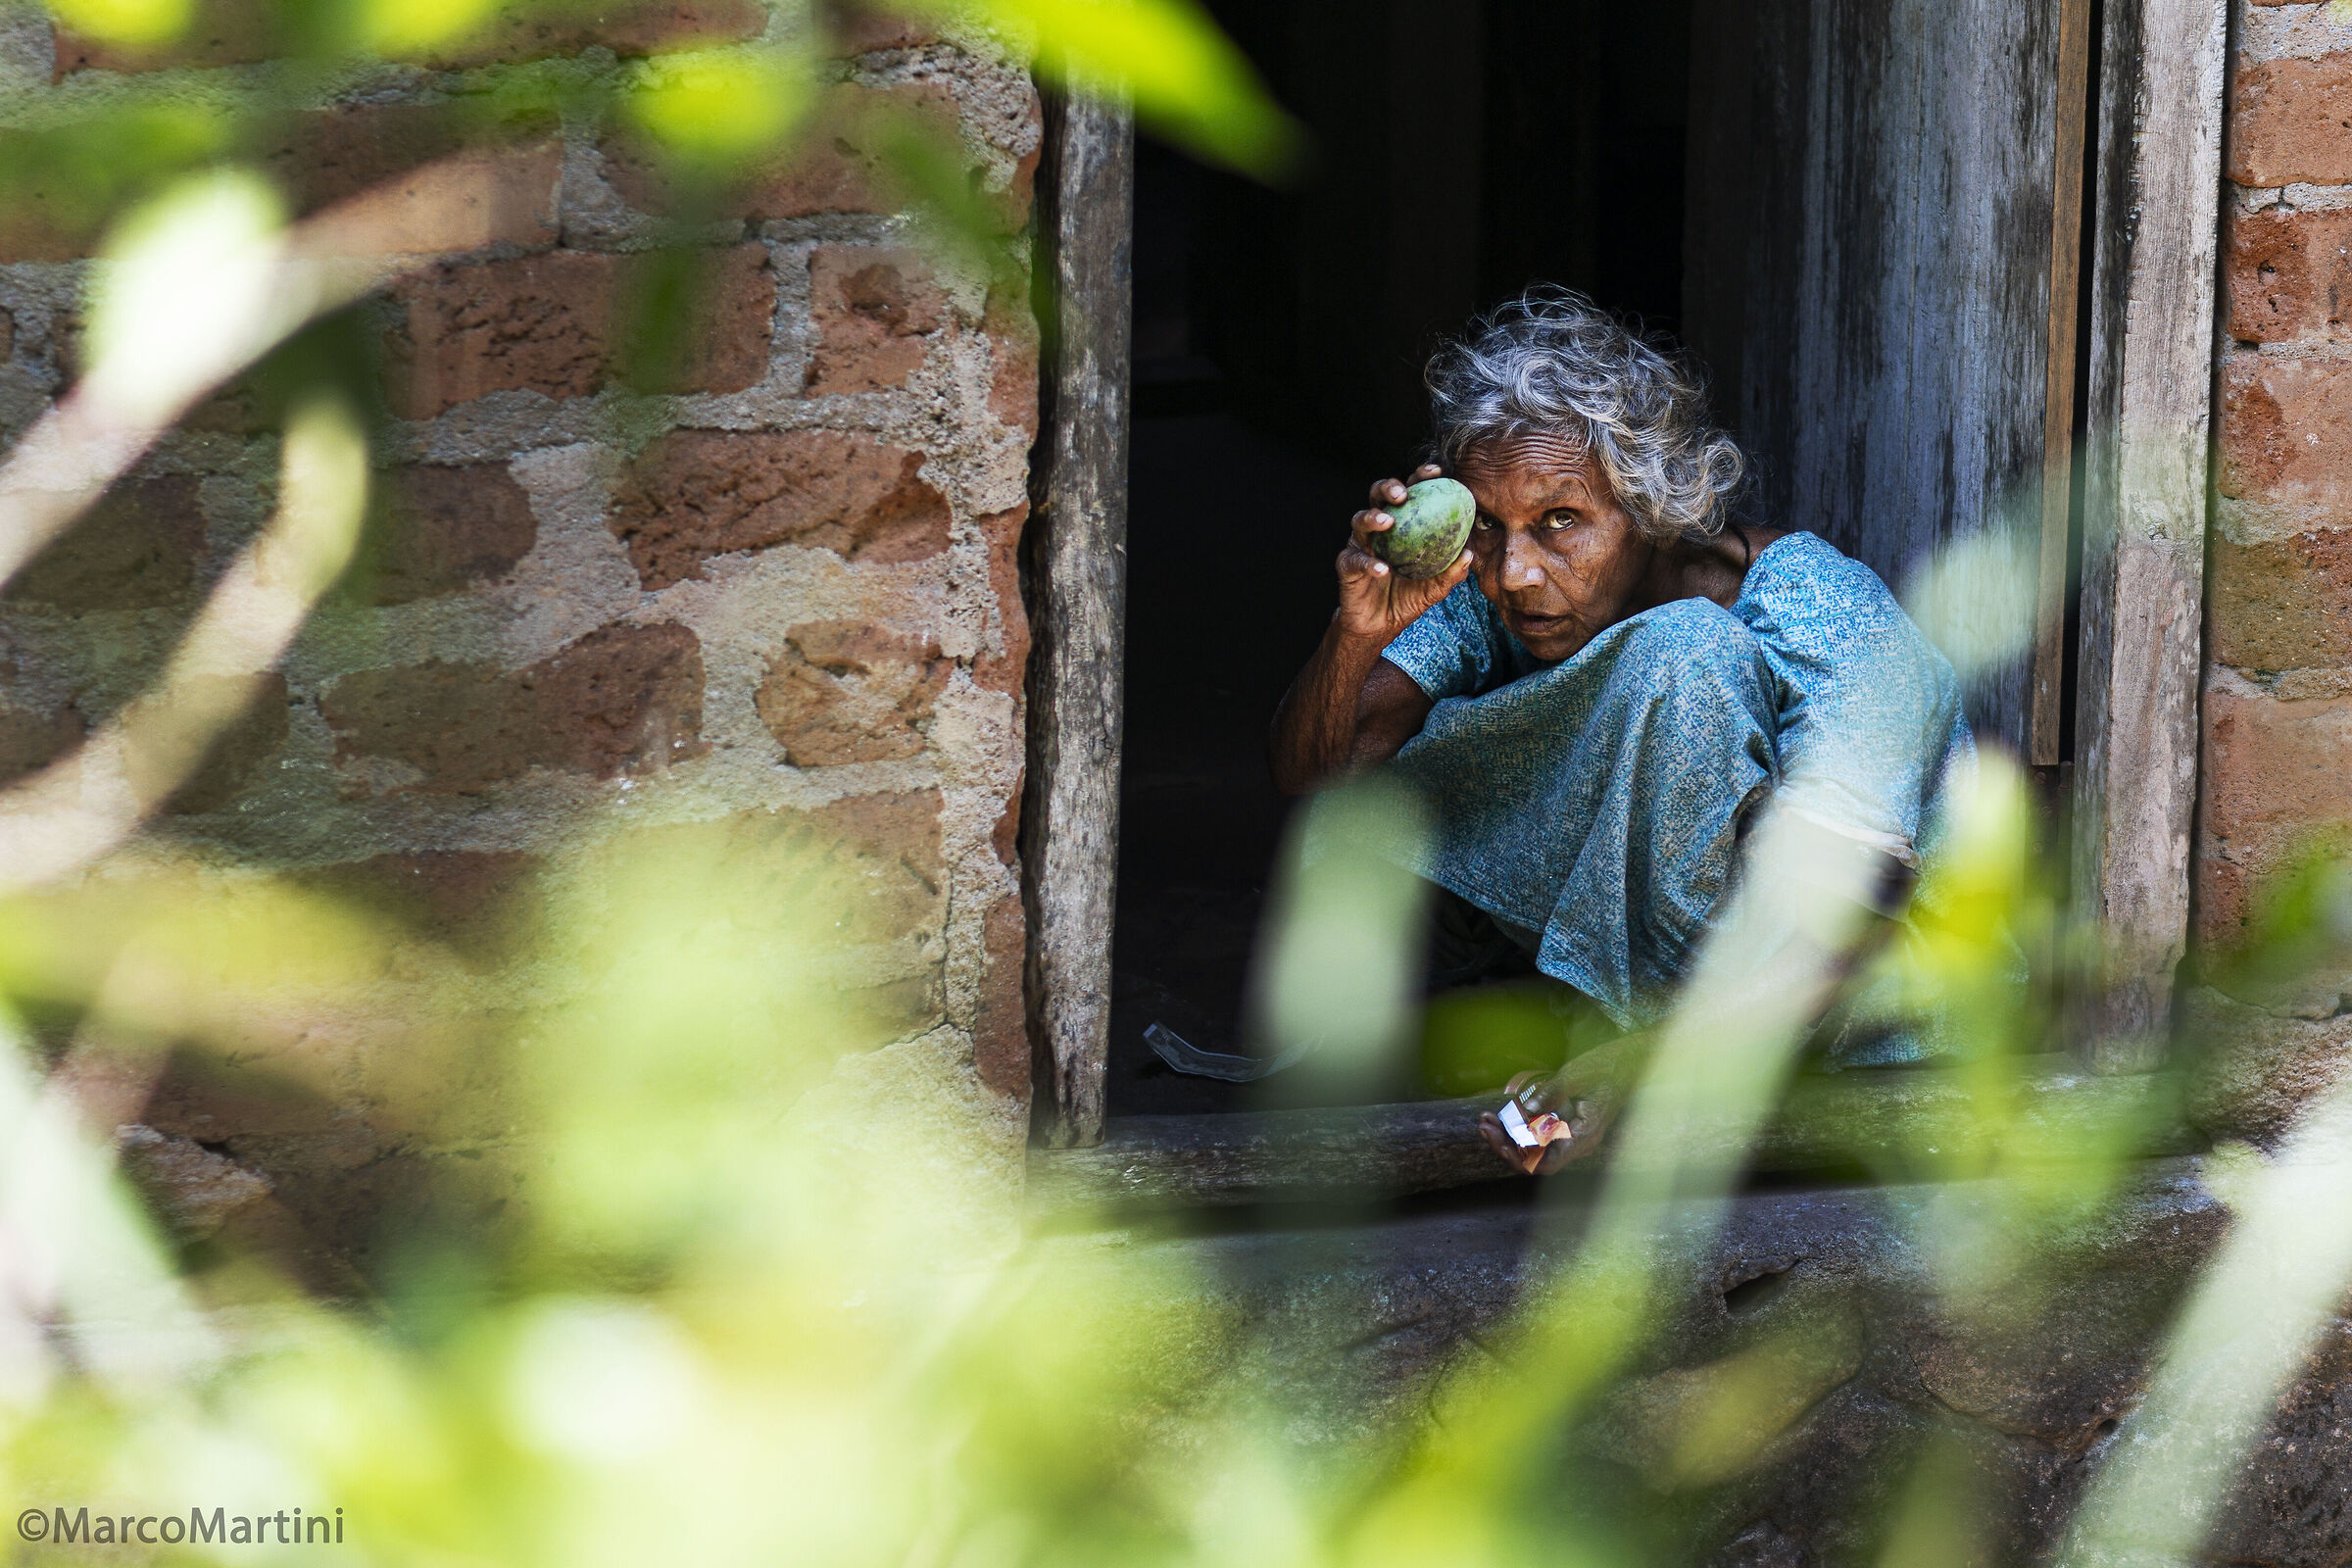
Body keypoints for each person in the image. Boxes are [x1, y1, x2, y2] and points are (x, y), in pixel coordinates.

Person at [1266, 287, 1970, 1175]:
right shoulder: (1498, 586)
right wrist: (1359, 630)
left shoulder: (1824, 614)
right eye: (1488, 527)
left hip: (1872, 1041)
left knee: (1679, 655)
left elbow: (1854, 916)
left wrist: (1640, 1070)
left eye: (1561, 521)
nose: (1518, 571)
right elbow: (1322, 773)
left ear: (1651, 507)